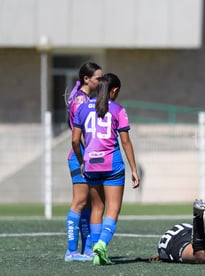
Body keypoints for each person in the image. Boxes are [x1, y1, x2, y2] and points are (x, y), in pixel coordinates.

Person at [72, 73, 140, 265]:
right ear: (114, 90)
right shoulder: (118, 109)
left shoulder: (83, 108)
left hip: (91, 164)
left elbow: (75, 140)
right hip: (112, 165)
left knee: (97, 207)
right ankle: (101, 244)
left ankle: (95, 254)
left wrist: (82, 161)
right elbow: (125, 141)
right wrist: (134, 169)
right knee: (112, 208)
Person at [65, 62, 103, 262]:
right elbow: (78, 136)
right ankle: (71, 251)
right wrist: (84, 159)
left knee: (88, 204)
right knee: (79, 202)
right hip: (80, 157)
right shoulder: (80, 100)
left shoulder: (85, 98)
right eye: (98, 78)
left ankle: (86, 249)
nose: (100, 81)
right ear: (87, 79)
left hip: (86, 156)